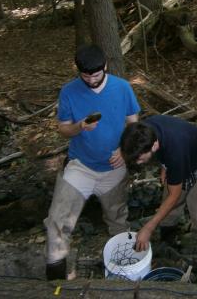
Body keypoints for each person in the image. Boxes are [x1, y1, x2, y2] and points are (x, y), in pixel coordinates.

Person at [44, 44, 141, 280]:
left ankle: (124, 275)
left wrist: (124, 150)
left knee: (118, 221)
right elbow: (63, 129)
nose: (90, 80)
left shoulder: (122, 87)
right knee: (57, 221)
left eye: (95, 75)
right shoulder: (69, 91)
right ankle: (55, 280)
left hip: (115, 168)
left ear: (105, 67)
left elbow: (133, 122)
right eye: (85, 76)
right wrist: (79, 127)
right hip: (81, 167)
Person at [120, 115, 197, 283]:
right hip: (178, 159)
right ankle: (169, 241)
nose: (138, 163)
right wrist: (164, 165)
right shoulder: (143, 130)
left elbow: (174, 195)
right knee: (168, 211)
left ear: (154, 146)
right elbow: (164, 152)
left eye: (140, 158)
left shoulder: (175, 151)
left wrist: (148, 228)